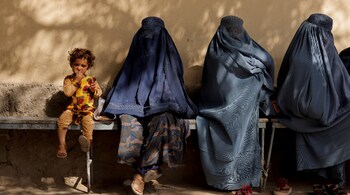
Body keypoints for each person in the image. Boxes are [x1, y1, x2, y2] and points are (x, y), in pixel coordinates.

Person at [102, 16, 197, 195]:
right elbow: (123, 85)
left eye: (153, 35)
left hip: (163, 107)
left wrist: (164, 104)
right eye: (145, 34)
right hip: (135, 105)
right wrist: (114, 109)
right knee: (129, 121)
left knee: (163, 121)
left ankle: (139, 174)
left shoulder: (170, 60)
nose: (148, 39)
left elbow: (175, 88)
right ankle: (150, 169)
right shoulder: (135, 57)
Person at [195, 15, 275, 194]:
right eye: (231, 30)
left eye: (238, 30)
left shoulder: (250, 49)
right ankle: (226, 180)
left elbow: (268, 60)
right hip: (219, 107)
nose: (235, 34)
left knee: (244, 130)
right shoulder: (216, 53)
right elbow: (221, 84)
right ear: (222, 31)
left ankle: (242, 180)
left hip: (247, 110)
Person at [276, 13, 350, 195]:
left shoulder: (304, 52)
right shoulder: (304, 58)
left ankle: (328, 179)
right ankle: (332, 179)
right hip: (304, 116)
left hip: (311, 114)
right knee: (339, 126)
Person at [56, 48, 102, 158]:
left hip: (87, 109)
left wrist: (94, 90)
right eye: (76, 64)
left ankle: (87, 143)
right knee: (62, 120)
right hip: (73, 108)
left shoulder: (91, 79)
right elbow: (68, 93)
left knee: (88, 123)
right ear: (71, 65)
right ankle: (62, 145)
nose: (79, 68)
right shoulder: (69, 79)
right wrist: (76, 80)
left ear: (88, 67)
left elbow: (99, 93)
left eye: (83, 66)